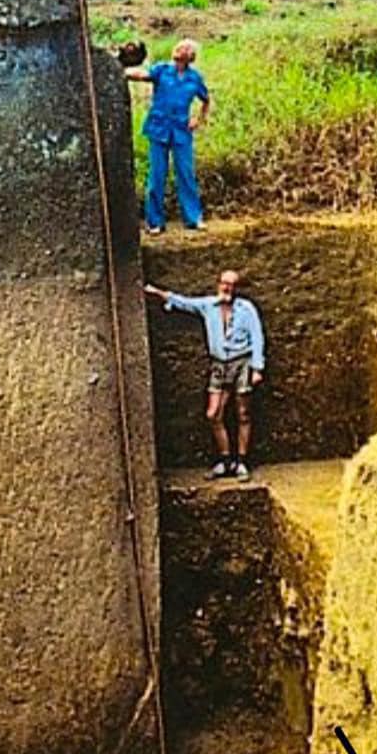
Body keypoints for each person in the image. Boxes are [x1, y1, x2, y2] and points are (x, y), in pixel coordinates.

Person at [145, 270, 265, 480]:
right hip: (220, 365)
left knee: (243, 413)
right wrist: (157, 293)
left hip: (241, 363)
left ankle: (242, 462)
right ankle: (225, 459)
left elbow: (257, 337)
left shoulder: (246, 309)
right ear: (218, 284)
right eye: (224, 283)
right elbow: (184, 302)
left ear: (237, 288)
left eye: (231, 284)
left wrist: (257, 368)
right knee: (213, 413)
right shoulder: (209, 305)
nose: (227, 288)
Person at [124, 38, 210, 234]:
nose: (179, 49)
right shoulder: (162, 69)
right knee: (157, 176)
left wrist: (198, 119)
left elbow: (205, 100)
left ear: (191, 56)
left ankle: (193, 218)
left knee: (186, 175)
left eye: (185, 48)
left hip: (181, 131)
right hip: (159, 128)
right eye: (179, 46)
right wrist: (121, 70)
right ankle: (154, 222)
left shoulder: (194, 78)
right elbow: (142, 74)